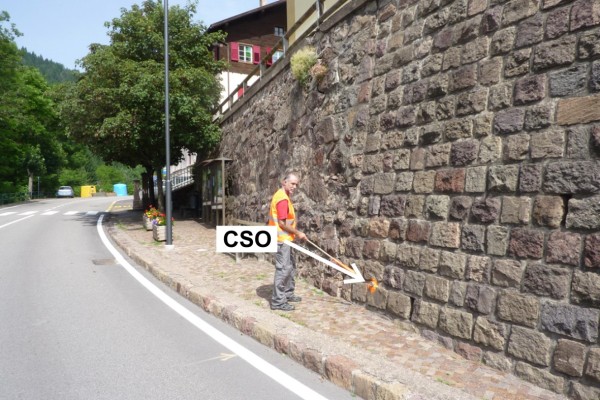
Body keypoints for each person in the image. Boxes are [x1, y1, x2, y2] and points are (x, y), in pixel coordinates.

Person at [268, 172, 307, 311]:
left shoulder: (284, 196)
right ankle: (278, 301)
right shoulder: (282, 199)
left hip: (286, 239)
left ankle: (288, 294)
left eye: (296, 184)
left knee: (290, 267)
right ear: (284, 182)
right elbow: (282, 224)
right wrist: (298, 233)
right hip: (281, 240)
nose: (294, 187)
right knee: (283, 270)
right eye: (292, 183)